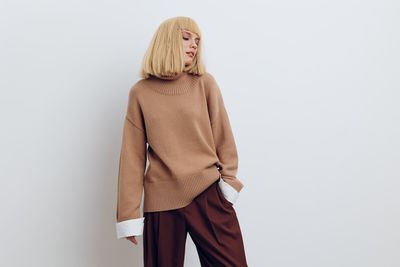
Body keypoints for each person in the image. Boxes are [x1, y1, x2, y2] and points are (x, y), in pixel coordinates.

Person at [115, 16, 248, 266]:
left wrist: (228, 185)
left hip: (207, 194)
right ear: (166, 42)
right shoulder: (140, 93)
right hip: (161, 203)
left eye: (197, 41)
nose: (193, 45)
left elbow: (224, 137)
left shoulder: (204, 84)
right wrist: (128, 214)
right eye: (186, 38)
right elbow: (132, 157)